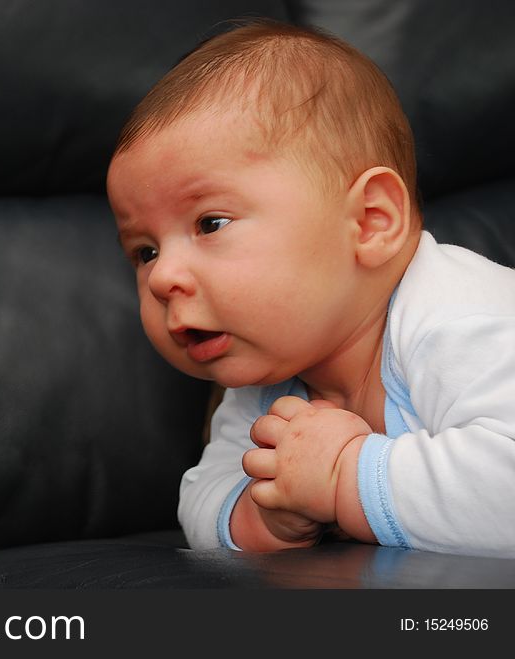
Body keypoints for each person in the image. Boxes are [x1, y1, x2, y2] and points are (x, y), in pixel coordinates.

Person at [105, 20, 515, 558]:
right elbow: (201, 496)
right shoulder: (266, 382)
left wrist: (345, 476)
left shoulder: (461, 317)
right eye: (145, 251)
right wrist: (263, 516)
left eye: (210, 224)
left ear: (370, 221)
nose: (161, 278)